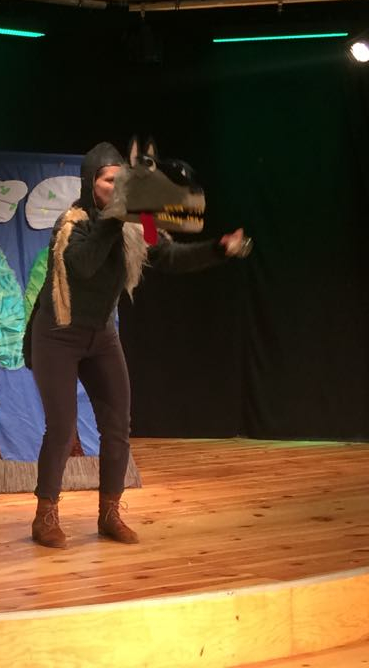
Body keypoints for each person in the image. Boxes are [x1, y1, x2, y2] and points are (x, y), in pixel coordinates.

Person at [26, 141, 247, 549]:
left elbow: (168, 256)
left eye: (120, 180)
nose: (116, 187)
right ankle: (45, 517)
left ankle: (109, 514)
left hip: (100, 335)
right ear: (90, 184)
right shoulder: (71, 223)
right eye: (108, 181)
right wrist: (117, 216)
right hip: (58, 334)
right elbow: (85, 265)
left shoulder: (136, 225)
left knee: (117, 426)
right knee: (62, 427)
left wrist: (218, 250)